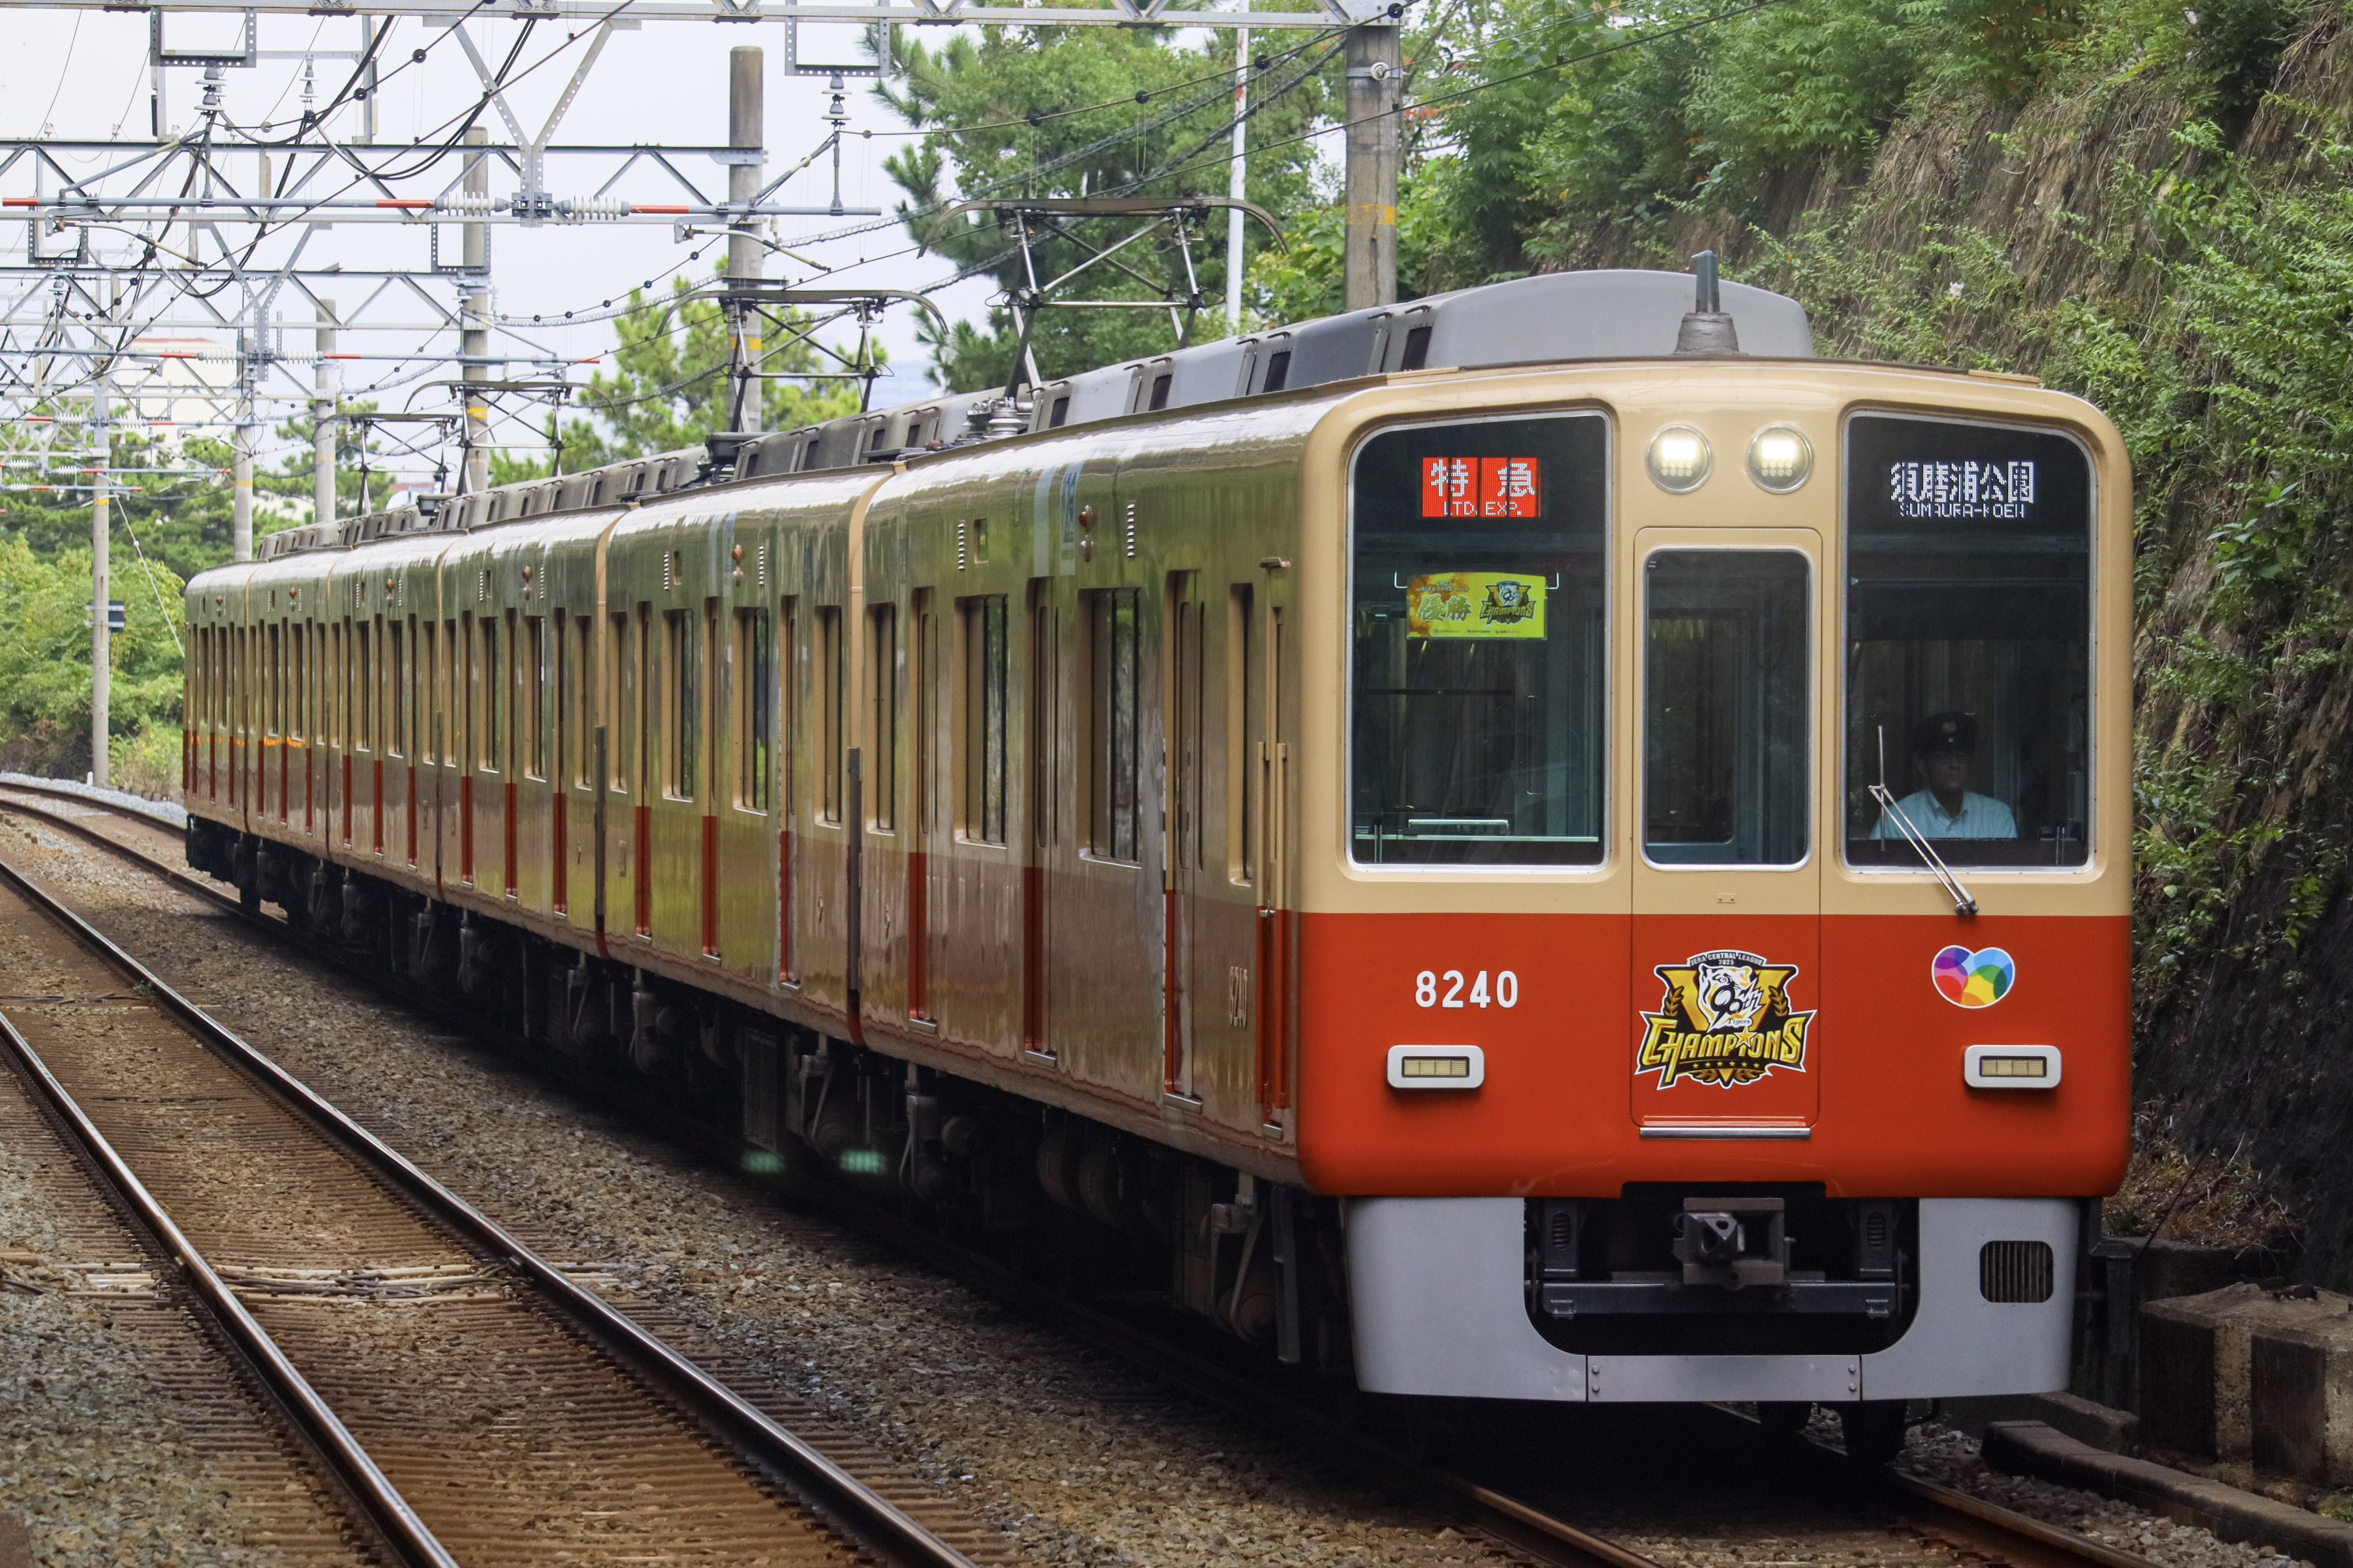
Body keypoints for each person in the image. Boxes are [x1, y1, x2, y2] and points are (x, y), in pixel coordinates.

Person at [1872, 712, 2017, 840]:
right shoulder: (1897, 820)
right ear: (1923, 766)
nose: (1955, 764)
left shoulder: (1997, 817)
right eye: (1944, 757)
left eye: (1961, 756)